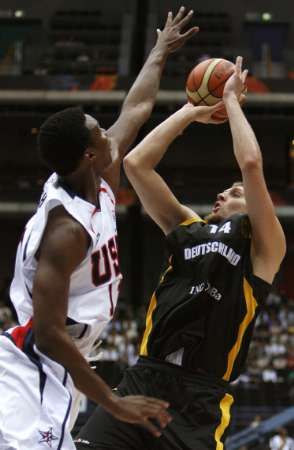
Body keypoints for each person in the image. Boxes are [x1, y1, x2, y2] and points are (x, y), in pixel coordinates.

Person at [0, 7, 198, 449]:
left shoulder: (97, 178)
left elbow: (138, 107)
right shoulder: (66, 230)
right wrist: (114, 402)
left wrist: (160, 50)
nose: (109, 135)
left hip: (65, 363)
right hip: (36, 359)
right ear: (90, 155)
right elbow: (49, 334)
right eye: (100, 134)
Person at [75, 57, 286, 450]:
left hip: (198, 398)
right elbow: (137, 163)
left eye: (236, 193)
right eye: (225, 191)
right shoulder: (189, 228)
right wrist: (192, 110)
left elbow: (252, 163)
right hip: (143, 379)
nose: (223, 194)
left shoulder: (263, 248)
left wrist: (232, 102)